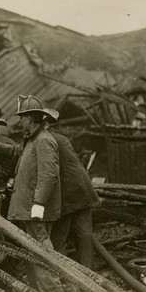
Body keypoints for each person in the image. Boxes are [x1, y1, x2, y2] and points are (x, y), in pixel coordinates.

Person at [0, 95, 65, 292]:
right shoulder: (32, 139)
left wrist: (38, 204)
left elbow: (48, 175)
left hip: (35, 209)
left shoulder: (44, 141)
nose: (19, 121)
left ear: (30, 118)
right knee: (33, 256)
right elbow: (16, 153)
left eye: (22, 118)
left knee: (42, 256)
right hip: (28, 208)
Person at [43, 110, 100, 269]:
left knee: (58, 239)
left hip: (68, 195)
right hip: (80, 191)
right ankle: (88, 274)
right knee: (84, 236)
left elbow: (19, 151)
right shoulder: (59, 138)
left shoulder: (47, 140)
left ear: (46, 124)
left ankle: (68, 275)